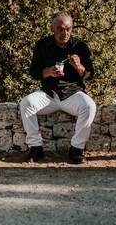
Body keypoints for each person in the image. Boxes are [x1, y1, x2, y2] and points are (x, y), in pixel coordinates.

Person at [19, 11, 96, 164]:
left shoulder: (80, 46)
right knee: (26, 103)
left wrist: (79, 67)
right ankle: (36, 149)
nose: (64, 33)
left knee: (89, 106)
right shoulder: (42, 45)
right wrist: (48, 72)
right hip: (49, 93)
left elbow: (90, 74)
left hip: (72, 94)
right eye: (60, 29)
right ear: (52, 29)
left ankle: (76, 150)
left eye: (68, 29)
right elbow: (33, 72)